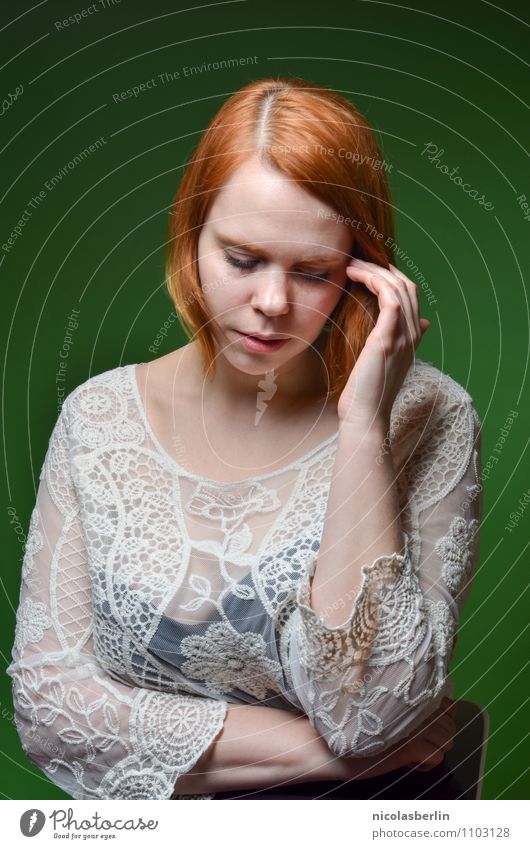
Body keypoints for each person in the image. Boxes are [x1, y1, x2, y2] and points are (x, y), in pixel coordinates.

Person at [8, 77, 481, 800]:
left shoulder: (430, 414)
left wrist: (363, 428)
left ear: (365, 273)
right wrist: (329, 757)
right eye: (242, 257)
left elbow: (373, 713)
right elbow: (48, 709)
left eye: (313, 272)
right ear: (191, 235)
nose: (271, 303)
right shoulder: (96, 418)